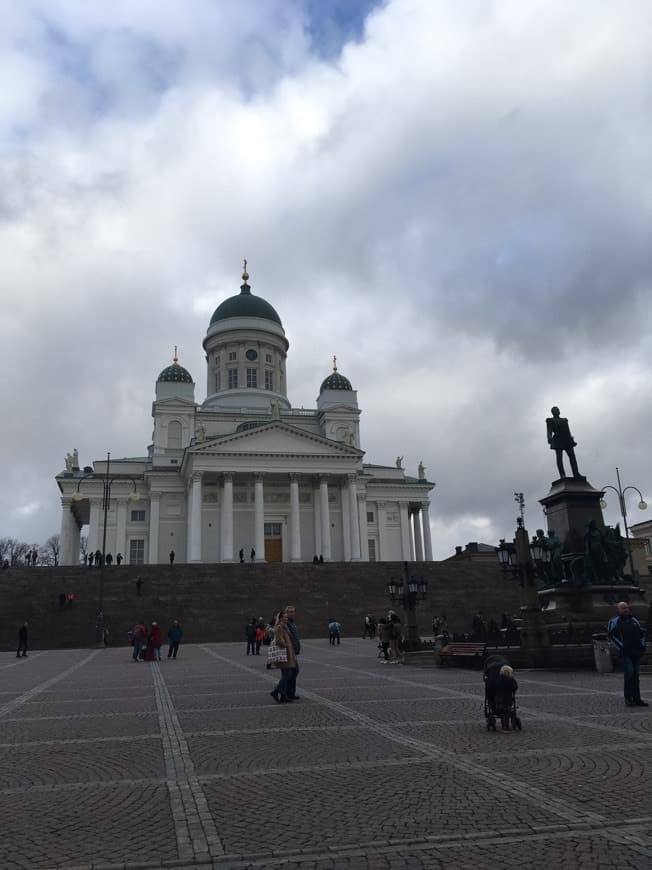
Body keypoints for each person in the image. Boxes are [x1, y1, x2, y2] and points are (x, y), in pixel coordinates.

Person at [608, 602, 648, 707]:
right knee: (629, 673)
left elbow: (641, 634)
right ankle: (628, 697)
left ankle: (637, 698)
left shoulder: (634, 620)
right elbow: (612, 636)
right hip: (625, 652)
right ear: (619, 609)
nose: (625, 609)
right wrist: (621, 647)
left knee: (635, 675)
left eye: (626, 607)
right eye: (623, 608)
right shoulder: (615, 621)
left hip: (636, 651)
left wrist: (642, 645)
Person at [546, 406, 581, 479]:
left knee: (572, 457)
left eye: (558, 409)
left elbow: (568, 430)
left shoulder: (564, 420)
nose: (557, 411)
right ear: (552, 412)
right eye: (555, 410)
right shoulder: (550, 420)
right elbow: (549, 431)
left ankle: (576, 473)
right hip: (558, 440)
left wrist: (571, 439)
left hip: (567, 440)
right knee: (559, 458)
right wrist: (549, 438)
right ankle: (562, 474)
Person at [270, 611, 297, 703]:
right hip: (284, 654)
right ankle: (276, 691)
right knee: (287, 674)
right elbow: (278, 640)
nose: (287, 618)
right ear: (280, 618)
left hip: (287, 654)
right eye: (285, 617)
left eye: (286, 617)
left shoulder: (285, 627)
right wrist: (286, 645)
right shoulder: (279, 627)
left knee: (287, 674)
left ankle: (283, 695)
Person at [494, 664, 518, 732]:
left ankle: (504, 725)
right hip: (507, 698)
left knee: (503, 712)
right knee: (506, 712)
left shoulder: (499, 678)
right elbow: (515, 687)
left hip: (499, 698)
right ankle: (506, 727)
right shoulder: (510, 679)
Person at [284, 605, 301, 699]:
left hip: (293, 651)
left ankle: (290, 693)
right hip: (289, 652)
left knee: (293, 672)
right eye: (290, 612)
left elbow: (295, 638)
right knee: (292, 672)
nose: (292, 613)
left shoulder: (293, 623)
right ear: (286, 613)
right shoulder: (286, 624)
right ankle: (285, 692)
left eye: (293, 611)